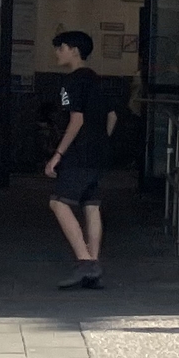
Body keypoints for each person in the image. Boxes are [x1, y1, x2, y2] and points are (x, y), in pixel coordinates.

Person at [43, 31, 118, 290]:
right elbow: (112, 117)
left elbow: (76, 120)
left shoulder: (72, 82)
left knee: (58, 202)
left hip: (79, 151)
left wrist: (58, 154)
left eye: (60, 48)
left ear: (74, 50)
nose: (57, 53)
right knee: (91, 204)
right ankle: (93, 266)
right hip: (99, 151)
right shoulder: (100, 81)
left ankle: (85, 261)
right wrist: (101, 141)